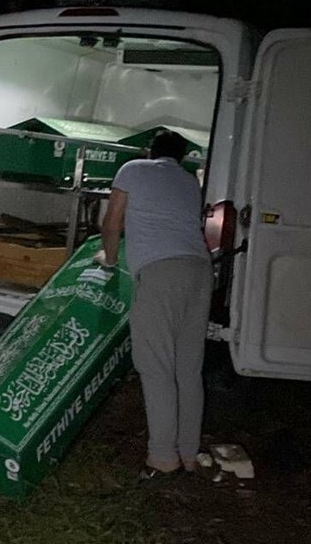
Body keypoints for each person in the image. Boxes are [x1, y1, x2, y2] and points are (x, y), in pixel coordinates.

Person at [95, 128, 212, 479]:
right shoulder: (190, 182)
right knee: (188, 369)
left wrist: (110, 260)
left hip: (161, 272)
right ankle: (188, 454)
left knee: (156, 365)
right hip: (199, 270)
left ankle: (162, 457)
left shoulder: (133, 169)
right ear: (181, 156)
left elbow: (112, 223)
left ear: (149, 151)